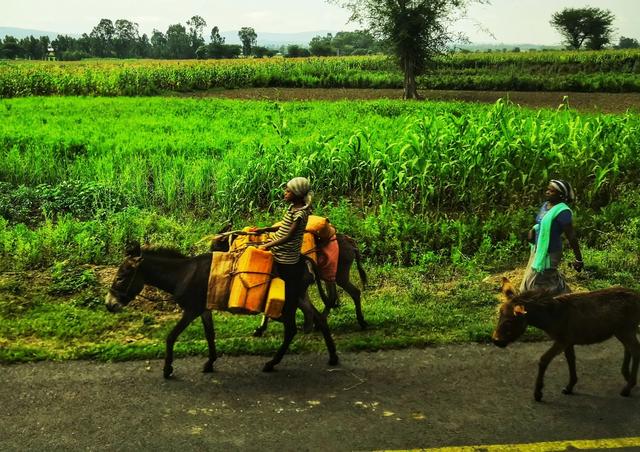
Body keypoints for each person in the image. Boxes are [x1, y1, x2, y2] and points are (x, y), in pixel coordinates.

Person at [253, 177, 313, 314]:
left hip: (286, 256)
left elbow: (289, 236)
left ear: (297, 194)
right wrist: (266, 229)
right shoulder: (293, 207)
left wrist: (267, 245)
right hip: (278, 248)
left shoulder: (300, 213)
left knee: (288, 293)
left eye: (288, 191)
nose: (284, 193)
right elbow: (283, 227)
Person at [520, 179, 583, 294]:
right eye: (548, 189)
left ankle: (560, 296)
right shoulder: (546, 205)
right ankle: (564, 294)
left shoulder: (563, 211)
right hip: (538, 249)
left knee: (533, 284)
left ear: (560, 195)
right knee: (536, 281)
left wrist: (579, 259)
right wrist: (533, 230)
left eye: (552, 191)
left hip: (550, 252)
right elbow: (541, 223)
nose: (548, 192)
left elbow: (571, 236)